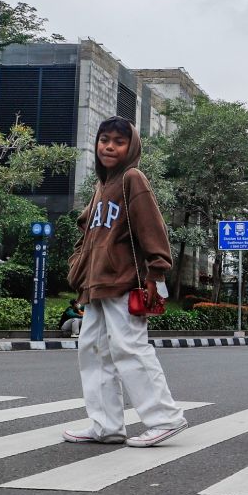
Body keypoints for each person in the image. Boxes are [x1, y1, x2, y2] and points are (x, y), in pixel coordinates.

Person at [64, 116, 187, 447]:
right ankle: (106, 425)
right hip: (98, 283)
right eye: (104, 139)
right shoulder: (102, 186)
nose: (109, 146)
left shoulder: (133, 179)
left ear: (130, 147)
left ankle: (165, 418)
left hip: (126, 281)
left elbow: (152, 228)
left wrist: (155, 273)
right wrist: (79, 271)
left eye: (118, 141)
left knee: (129, 348)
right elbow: (86, 231)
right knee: (93, 351)